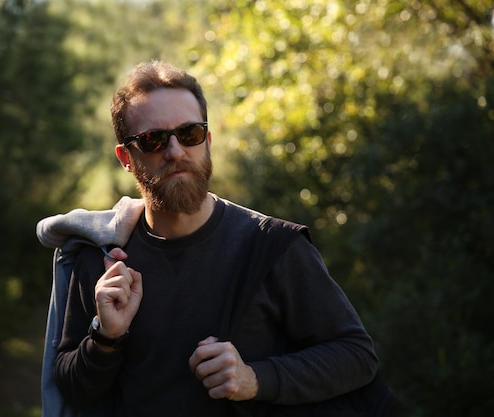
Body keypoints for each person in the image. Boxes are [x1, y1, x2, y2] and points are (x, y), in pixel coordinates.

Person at [41, 60, 382, 417]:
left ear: (207, 140)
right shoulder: (101, 257)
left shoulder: (273, 246)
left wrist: (256, 378)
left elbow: (356, 355)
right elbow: (72, 388)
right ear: (127, 157)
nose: (175, 151)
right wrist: (105, 338)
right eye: (153, 139)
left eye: (189, 133)